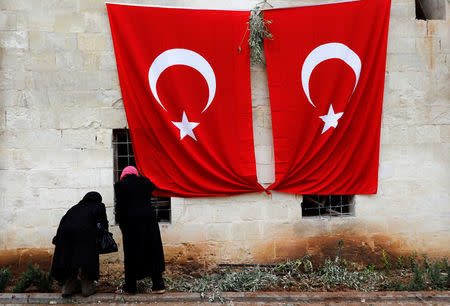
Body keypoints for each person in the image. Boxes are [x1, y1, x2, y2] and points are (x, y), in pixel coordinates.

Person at [114, 166, 166, 294]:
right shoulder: (145, 182)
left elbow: (120, 207)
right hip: (149, 222)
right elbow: (153, 187)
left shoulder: (120, 185)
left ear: (124, 175)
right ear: (135, 174)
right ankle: (158, 285)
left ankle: (131, 287)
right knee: (152, 251)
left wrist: (121, 223)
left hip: (130, 224)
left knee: (131, 254)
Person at [50, 191, 108, 297]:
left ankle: (67, 289)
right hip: (85, 234)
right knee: (87, 260)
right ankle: (87, 289)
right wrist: (102, 236)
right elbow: (102, 223)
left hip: (65, 235)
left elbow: (63, 222)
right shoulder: (98, 205)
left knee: (69, 260)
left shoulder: (75, 208)